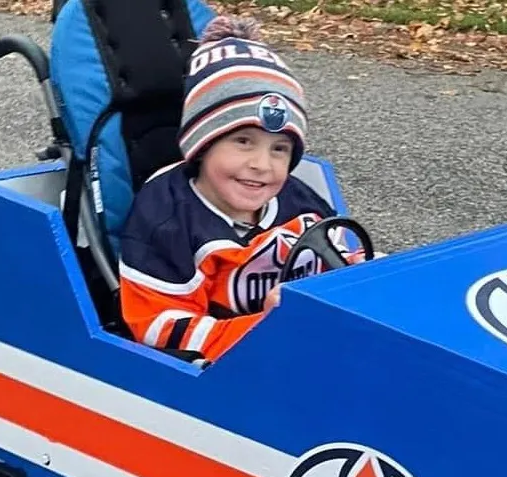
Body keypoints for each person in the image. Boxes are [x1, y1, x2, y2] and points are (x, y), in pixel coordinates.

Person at [118, 15, 370, 362]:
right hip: (226, 369)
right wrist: (265, 327)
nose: (262, 165)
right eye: (243, 141)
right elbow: (157, 327)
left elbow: (338, 262)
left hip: (307, 345)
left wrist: (369, 273)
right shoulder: (167, 220)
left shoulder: (299, 201)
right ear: (203, 145)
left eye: (279, 149)